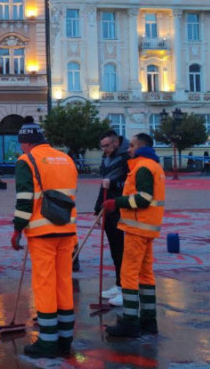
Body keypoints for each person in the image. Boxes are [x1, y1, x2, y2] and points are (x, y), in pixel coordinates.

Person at [10, 122, 78, 358]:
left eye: (22, 145)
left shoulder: (26, 161)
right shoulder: (66, 160)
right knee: (63, 283)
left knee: (45, 285)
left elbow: (25, 200)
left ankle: (48, 343)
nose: (22, 149)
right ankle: (65, 339)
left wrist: (17, 230)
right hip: (67, 229)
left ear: (26, 143)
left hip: (42, 232)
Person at [102, 133, 165, 338]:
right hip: (147, 226)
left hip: (137, 227)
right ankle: (148, 319)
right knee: (146, 274)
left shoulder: (143, 167)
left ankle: (130, 322)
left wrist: (116, 203)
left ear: (141, 147)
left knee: (129, 273)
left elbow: (144, 198)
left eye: (132, 145)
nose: (128, 148)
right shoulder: (152, 166)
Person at [94, 130, 129, 307]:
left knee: (122, 250)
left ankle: (127, 289)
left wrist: (114, 184)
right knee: (115, 250)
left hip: (122, 208)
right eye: (102, 146)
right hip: (108, 207)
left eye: (107, 145)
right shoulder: (106, 159)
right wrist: (97, 207)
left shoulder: (127, 158)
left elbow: (130, 183)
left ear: (116, 143)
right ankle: (119, 284)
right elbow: (103, 183)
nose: (104, 149)